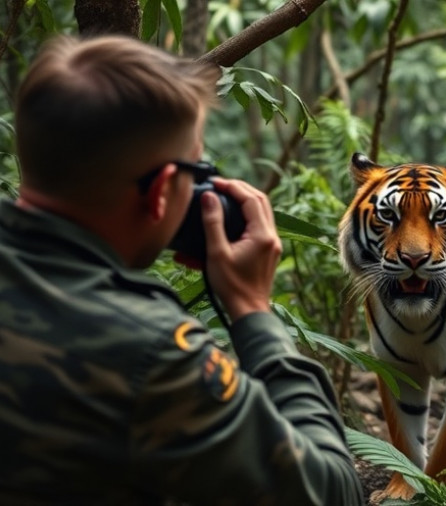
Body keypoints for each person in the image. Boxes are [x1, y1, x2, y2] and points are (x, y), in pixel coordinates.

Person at [0, 35, 364, 505]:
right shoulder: (153, 358)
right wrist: (254, 311)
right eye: (199, 169)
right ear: (164, 189)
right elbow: (329, 492)